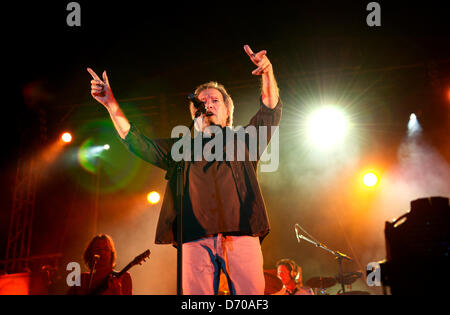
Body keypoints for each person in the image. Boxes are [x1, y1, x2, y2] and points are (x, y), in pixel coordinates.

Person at [87, 44, 281, 295]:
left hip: (241, 233)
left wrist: (267, 72)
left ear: (228, 111)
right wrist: (111, 104)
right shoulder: (181, 148)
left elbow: (269, 111)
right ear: (194, 112)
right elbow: (137, 142)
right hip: (194, 238)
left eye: (215, 100)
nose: (208, 104)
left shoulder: (244, 140)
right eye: (202, 101)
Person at [67, 234, 132, 295]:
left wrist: (117, 291)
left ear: (111, 253)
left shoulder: (124, 277)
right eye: (97, 249)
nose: (102, 252)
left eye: (106, 249)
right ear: (90, 254)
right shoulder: (83, 279)